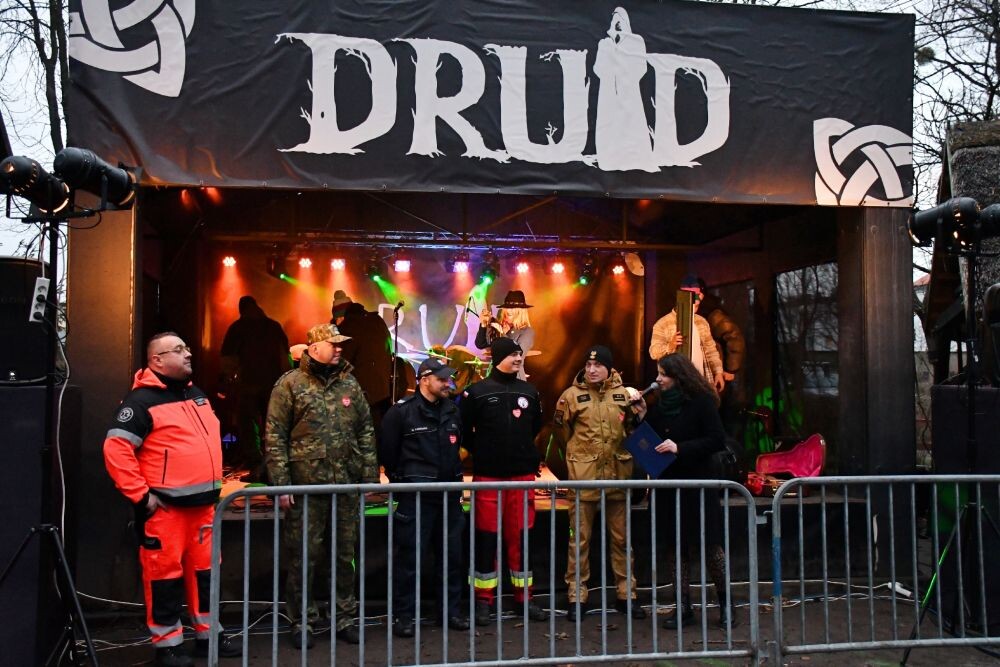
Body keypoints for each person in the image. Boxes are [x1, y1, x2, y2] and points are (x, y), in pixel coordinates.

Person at [103, 332, 241, 666]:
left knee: (207, 575)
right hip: (166, 512)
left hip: (203, 508)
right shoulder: (140, 402)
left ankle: (209, 634)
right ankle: (168, 645)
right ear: (157, 360)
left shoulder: (196, 394)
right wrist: (141, 496)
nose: (188, 353)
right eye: (178, 350)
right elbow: (116, 449)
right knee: (164, 579)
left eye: (186, 347)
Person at [264, 323, 378, 649]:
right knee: (304, 557)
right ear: (314, 348)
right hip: (305, 490)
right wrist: (282, 485)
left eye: (341, 344)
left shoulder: (349, 383)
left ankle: (344, 617)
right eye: (334, 344)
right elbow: (274, 436)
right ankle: (302, 621)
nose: (340, 349)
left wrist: (368, 478)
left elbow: (365, 430)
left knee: (344, 556)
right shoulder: (290, 385)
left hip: (345, 486)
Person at [554, 345, 647, 622]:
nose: (592, 370)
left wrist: (641, 415)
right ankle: (577, 596)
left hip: (618, 477)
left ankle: (627, 594)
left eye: (598, 366)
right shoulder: (571, 396)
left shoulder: (624, 395)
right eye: (588, 365)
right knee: (579, 541)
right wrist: (578, 461)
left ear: (609, 368)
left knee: (622, 540)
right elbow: (561, 436)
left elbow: (633, 432)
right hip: (584, 479)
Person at [644, 353, 737, 629]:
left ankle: (726, 603)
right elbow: (650, 441)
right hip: (668, 485)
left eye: (663, 374)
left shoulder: (702, 402)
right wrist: (640, 417)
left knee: (711, 546)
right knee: (675, 548)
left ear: (678, 376)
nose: (658, 379)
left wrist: (680, 448)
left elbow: (716, 439)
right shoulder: (659, 406)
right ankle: (683, 606)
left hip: (697, 483)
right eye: (658, 373)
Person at [379, 357, 469, 637]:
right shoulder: (401, 413)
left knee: (451, 558)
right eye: (442, 379)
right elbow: (388, 453)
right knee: (409, 559)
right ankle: (404, 616)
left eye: (448, 378)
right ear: (424, 380)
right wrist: (403, 482)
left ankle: (450, 612)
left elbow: (459, 445)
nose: (448, 384)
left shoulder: (452, 411)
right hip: (416, 496)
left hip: (449, 495)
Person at [460, 337, 547, 625]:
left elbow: (535, 427)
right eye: (512, 354)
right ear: (498, 357)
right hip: (488, 477)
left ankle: (525, 598)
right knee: (486, 539)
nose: (519, 358)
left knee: (521, 539)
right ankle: (483, 600)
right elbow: (463, 430)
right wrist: (485, 451)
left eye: (520, 354)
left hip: (522, 478)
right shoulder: (476, 393)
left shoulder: (530, 392)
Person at [220, 295, 290, 476]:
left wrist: (228, 381)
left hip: (248, 385)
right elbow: (285, 357)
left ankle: (255, 462)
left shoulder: (237, 328)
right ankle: (273, 461)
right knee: (273, 424)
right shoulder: (273, 326)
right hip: (273, 385)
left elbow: (228, 360)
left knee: (248, 425)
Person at [648, 275, 725, 393]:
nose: (695, 308)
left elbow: (711, 350)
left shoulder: (702, 322)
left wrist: (718, 372)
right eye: (693, 304)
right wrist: (670, 345)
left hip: (701, 381)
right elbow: (654, 353)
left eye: (697, 305)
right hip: (677, 382)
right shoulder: (663, 323)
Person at [336, 300, 393, 428]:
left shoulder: (350, 325)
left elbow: (342, 361)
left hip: (360, 396)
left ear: (342, 317)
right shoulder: (379, 322)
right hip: (383, 395)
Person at [475, 290, 535, 380]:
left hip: (513, 380)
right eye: (506, 307)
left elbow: (517, 355)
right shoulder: (500, 326)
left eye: (512, 308)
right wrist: (483, 324)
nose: (508, 310)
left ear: (521, 311)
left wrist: (502, 334)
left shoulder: (527, 331)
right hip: (495, 378)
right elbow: (480, 344)